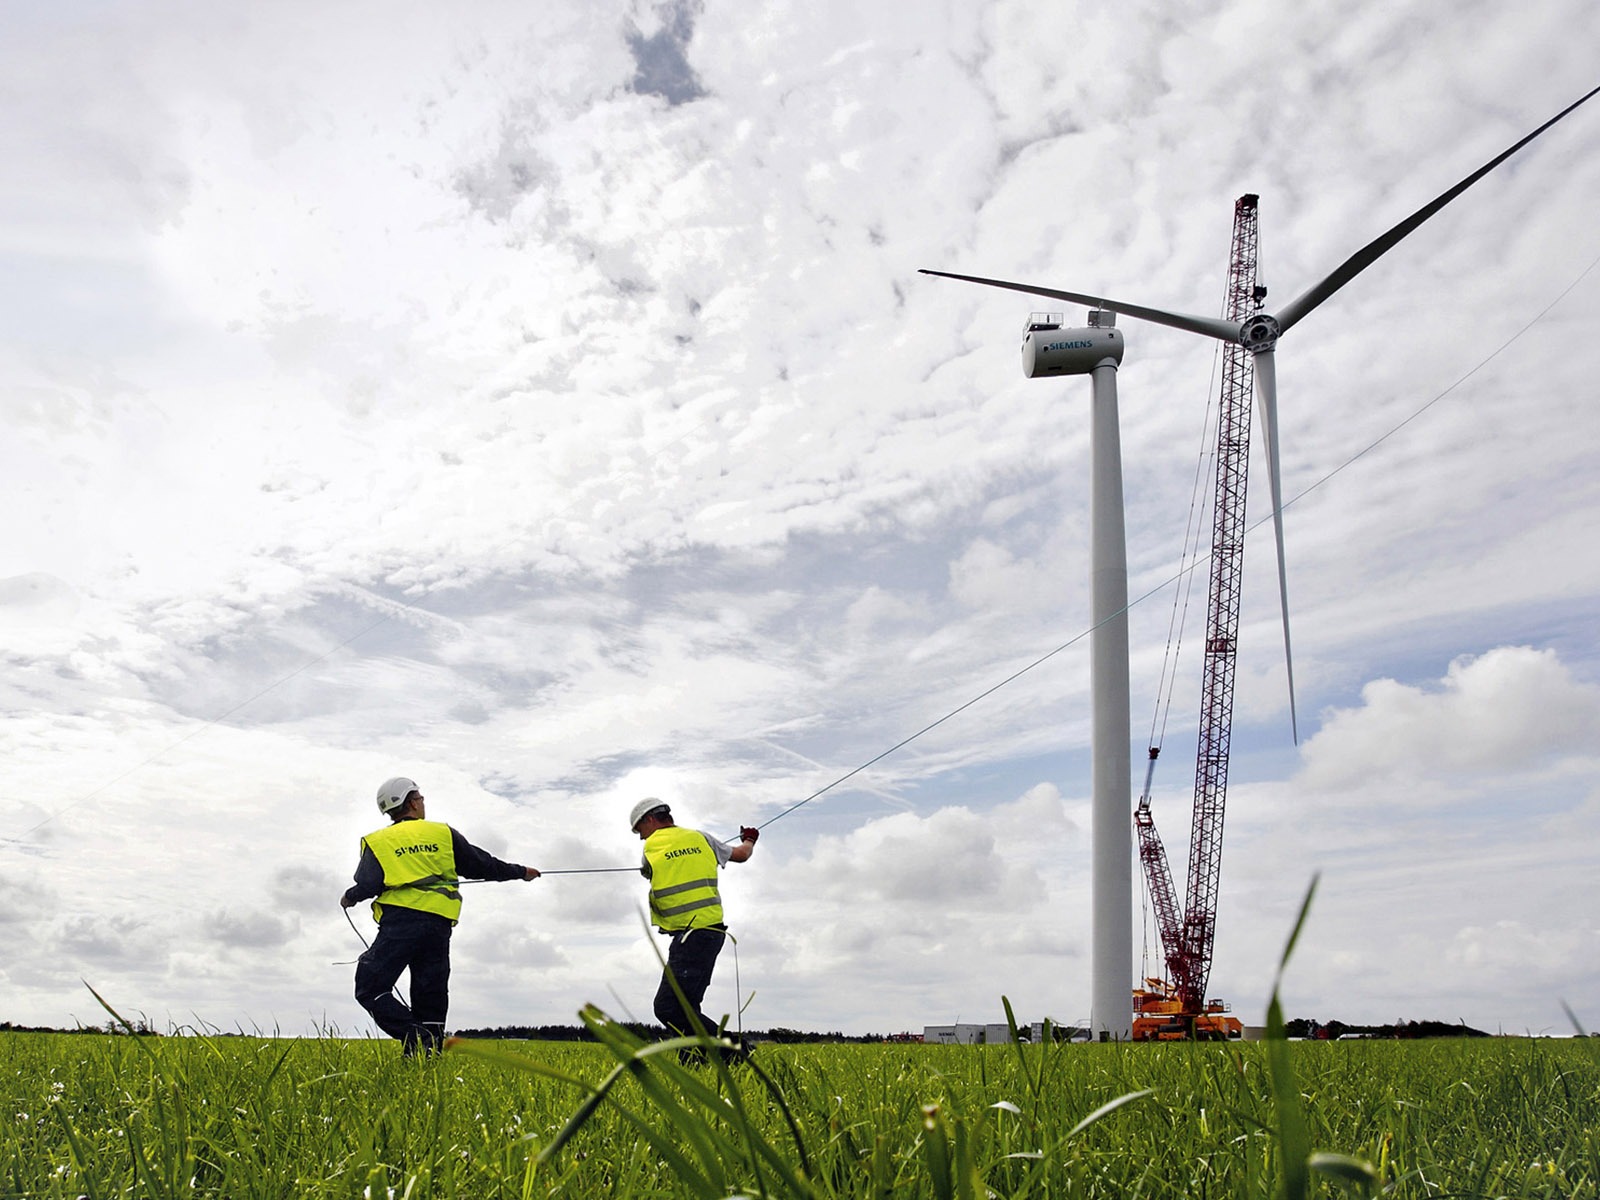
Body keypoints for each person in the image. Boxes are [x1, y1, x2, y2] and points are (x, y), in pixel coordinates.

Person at [341, 776, 541, 1056]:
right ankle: (427, 1056)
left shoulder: (378, 841)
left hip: (400, 924)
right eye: (420, 798)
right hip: (438, 926)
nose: (422, 803)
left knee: (370, 987)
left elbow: (369, 883)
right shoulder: (442, 833)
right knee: (430, 995)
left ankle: (416, 1039)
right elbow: (481, 865)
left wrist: (350, 896)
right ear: (411, 802)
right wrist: (521, 872)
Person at [630, 797, 759, 1058]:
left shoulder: (651, 848)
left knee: (668, 1008)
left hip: (693, 935)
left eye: (639, 830)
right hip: (710, 933)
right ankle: (693, 1063)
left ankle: (738, 1051)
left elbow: (648, 871)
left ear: (649, 820)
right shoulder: (701, 837)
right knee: (687, 1007)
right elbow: (742, 855)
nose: (641, 838)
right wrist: (750, 839)